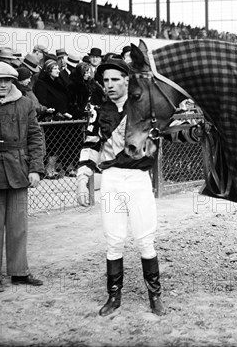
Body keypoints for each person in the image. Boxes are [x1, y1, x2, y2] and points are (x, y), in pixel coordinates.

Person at [75, 58, 165, 316]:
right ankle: (114, 297)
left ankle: (155, 296)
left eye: (115, 79)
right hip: (112, 180)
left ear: (127, 80)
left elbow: (164, 136)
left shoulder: (145, 108)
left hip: (138, 180)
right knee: (114, 240)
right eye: (106, 80)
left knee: (145, 240)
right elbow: (90, 145)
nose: (110, 85)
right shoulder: (98, 110)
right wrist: (82, 180)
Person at [0, 61, 45, 292]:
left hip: (18, 169)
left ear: (13, 82)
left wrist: (35, 168)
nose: (2, 85)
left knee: (18, 225)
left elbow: (35, 136)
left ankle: (19, 271)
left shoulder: (24, 104)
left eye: (7, 81)